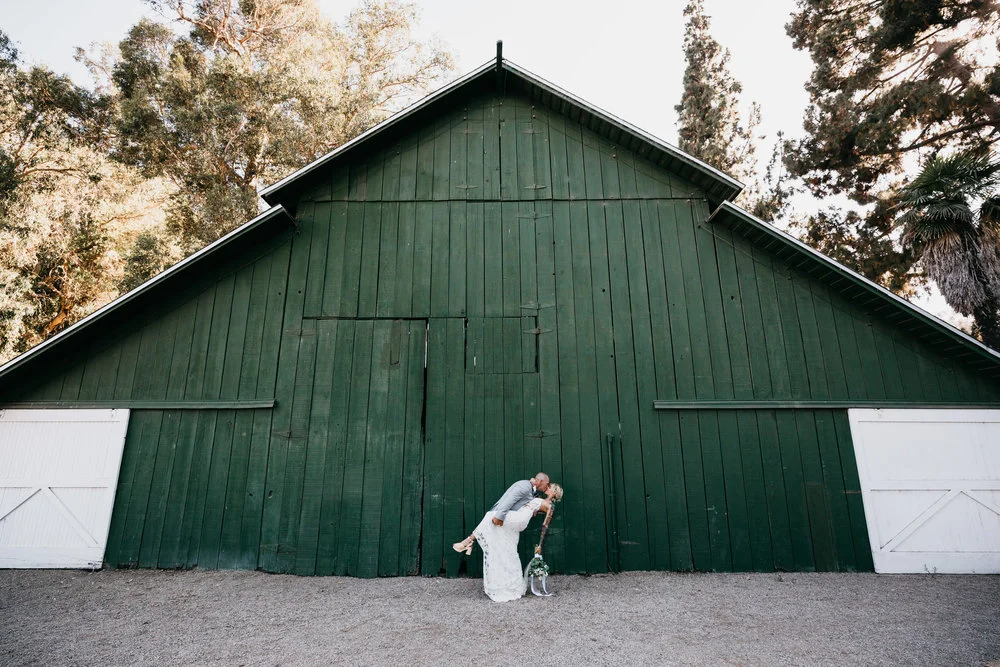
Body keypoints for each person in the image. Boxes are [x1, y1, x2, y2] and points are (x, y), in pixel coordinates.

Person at [453, 475, 564, 602]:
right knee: (507, 550)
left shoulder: (550, 506)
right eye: (547, 484)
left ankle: (469, 540)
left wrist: (540, 545)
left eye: (549, 486)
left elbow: (545, 527)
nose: (547, 487)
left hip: (520, 520)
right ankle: (510, 586)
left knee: (490, 516)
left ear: (554, 492)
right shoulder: (535, 495)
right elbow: (524, 503)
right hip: (517, 518)